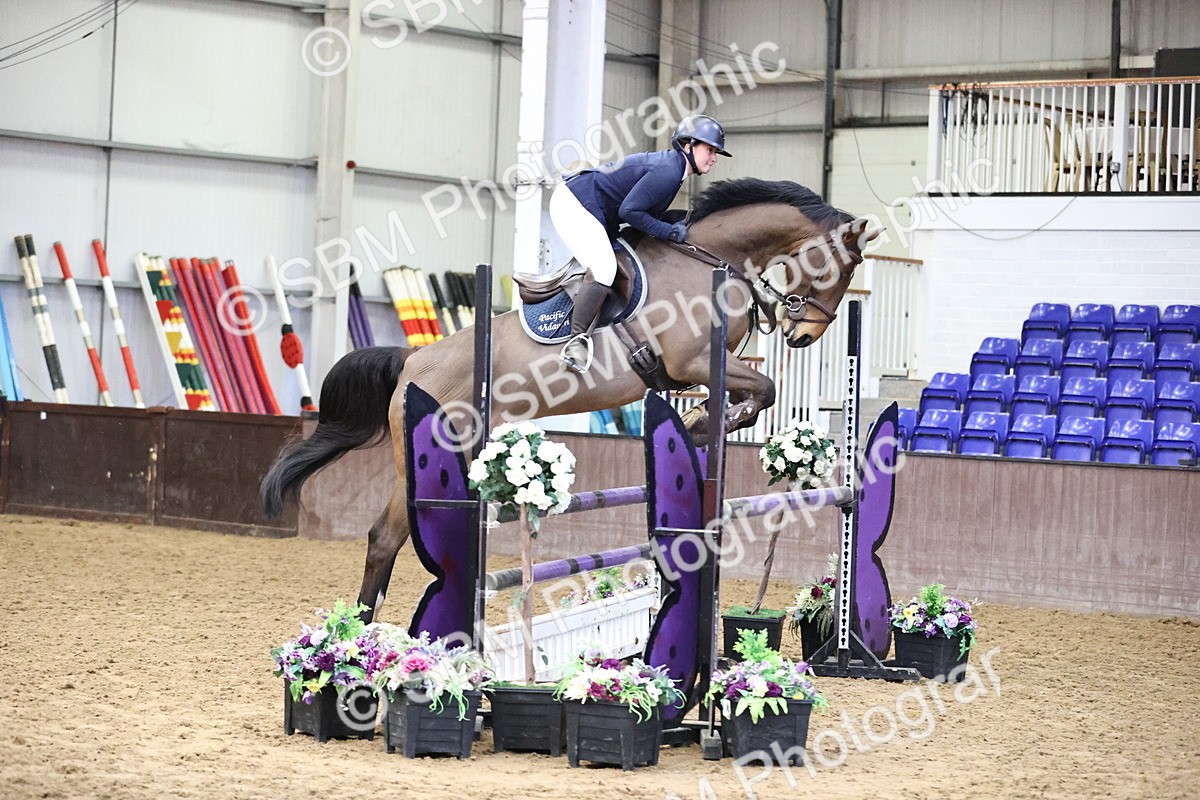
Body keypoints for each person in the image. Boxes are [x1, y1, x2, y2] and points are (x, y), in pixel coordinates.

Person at [548, 114, 731, 373]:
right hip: (575, 204)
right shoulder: (669, 170)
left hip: (595, 210)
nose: (713, 158)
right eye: (710, 149)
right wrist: (668, 232)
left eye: (716, 152)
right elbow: (630, 212)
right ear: (688, 145)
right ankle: (576, 341)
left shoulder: (675, 170)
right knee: (604, 268)